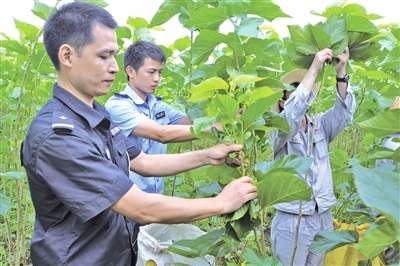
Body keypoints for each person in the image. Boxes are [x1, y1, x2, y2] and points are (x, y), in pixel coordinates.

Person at [20, 2, 257, 265]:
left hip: (114, 252)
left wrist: (208, 155)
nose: (114, 67)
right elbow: (140, 207)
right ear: (67, 56)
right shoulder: (60, 136)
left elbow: (144, 162)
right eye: (103, 56)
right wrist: (221, 203)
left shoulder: (97, 117)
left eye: (114, 56)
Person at [269, 47, 356, 266]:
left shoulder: (319, 125)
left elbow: (344, 114)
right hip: (293, 217)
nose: (303, 91)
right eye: (294, 89)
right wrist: (314, 69)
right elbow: (292, 113)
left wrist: (341, 71)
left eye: (303, 86)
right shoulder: (278, 127)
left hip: (322, 215)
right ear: (282, 101)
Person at [105, 40, 221, 194]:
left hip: (155, 195)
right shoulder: (118, 106)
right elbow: (161, 134)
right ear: (130, 71)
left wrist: (223, 113)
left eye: (160, 72)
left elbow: (189, 123)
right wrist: (213, 128)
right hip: (128, 198)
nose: (157, 78)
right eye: (151, 72)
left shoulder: (158, 105)